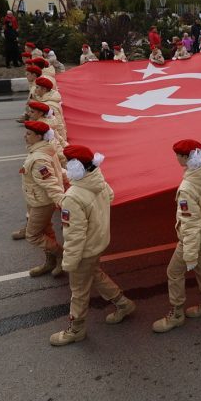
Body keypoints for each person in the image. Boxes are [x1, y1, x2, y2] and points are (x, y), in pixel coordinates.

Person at [49, 145, 136, 346]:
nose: (66, 167)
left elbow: (74, 235)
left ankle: (76, 329)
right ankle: (123, 304)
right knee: (95, 273)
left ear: (77, 167)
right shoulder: (98, 182)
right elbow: (111, 196)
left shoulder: (73, 196)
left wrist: (69, 262)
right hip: (99, 242)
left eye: (68, 164)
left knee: (78, 291)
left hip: (84, 250)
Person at [153, 140, 201, 333]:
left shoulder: (188, 187)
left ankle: (177, 314)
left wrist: (190, 254)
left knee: (174, 271)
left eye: (178, 155)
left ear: (186, 157)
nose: (176, 158)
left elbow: (190, 224)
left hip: (193, 238)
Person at [20, 120, 65, 278]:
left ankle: (61, 255)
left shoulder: (39, 159)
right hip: (36, 199)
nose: (25, 136)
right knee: (46, 231)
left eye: (28, 134)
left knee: (32, 235)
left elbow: (50, 183)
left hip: (42, 203)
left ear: (39, 136)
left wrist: (63, 202)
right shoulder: (39, 150)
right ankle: (51, 262)